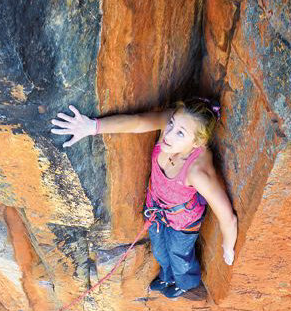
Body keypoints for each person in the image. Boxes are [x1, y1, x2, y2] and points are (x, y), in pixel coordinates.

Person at [50, 100, 237, 300]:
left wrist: (228, 246)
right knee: (160, 250)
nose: (169, 133)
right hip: (156, 210)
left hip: (183, 223)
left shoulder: (197, 172)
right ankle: (167, 277)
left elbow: (228, 218)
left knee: (179, 256)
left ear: (197, 143)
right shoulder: (170, 128)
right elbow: (137, 122)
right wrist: (93, 127)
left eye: (180, 133)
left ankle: (184, 283)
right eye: (171, 124)